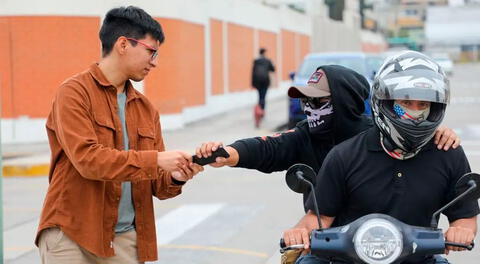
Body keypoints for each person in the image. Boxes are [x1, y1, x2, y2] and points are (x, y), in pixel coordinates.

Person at [35, 6, 203, 264]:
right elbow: (88, 160)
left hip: (125, 239)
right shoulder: (73, 93)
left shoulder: (147, 110)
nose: (155, 62)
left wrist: (177, 176)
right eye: (151, 51)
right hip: (70, 233)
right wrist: (156, 160)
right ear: (123, 44)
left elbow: (158, 185)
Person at [282, 51, 479, 264]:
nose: (415, 113)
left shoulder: (448, 152)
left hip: (418, 260)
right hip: (346, 260)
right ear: (384, 101)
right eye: (405, 103)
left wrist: (460, 230)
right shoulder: (344, 155)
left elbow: (465, 217)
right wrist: (299, 232)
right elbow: (319, 218)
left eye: (423, 105)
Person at [197, 65, 460, 210]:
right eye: (306, 100)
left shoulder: (380, 135)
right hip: (328, 242)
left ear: (344, 101)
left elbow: (412, 134)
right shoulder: (305, 136)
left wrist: (435, 133)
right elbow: (268, 147)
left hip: (386, 242)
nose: (308, 107)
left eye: (319, 100)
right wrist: (226, 154)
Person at [252, 47, 275, 127]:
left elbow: (253, 72)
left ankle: (259, 112)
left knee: (260, 97)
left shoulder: (256, 61)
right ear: (264, 53)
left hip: (258, 82)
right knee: (263, 98)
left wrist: (253, 83)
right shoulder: (268, 60)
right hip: (265, 82)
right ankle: (262, 113)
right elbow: (273, 70)